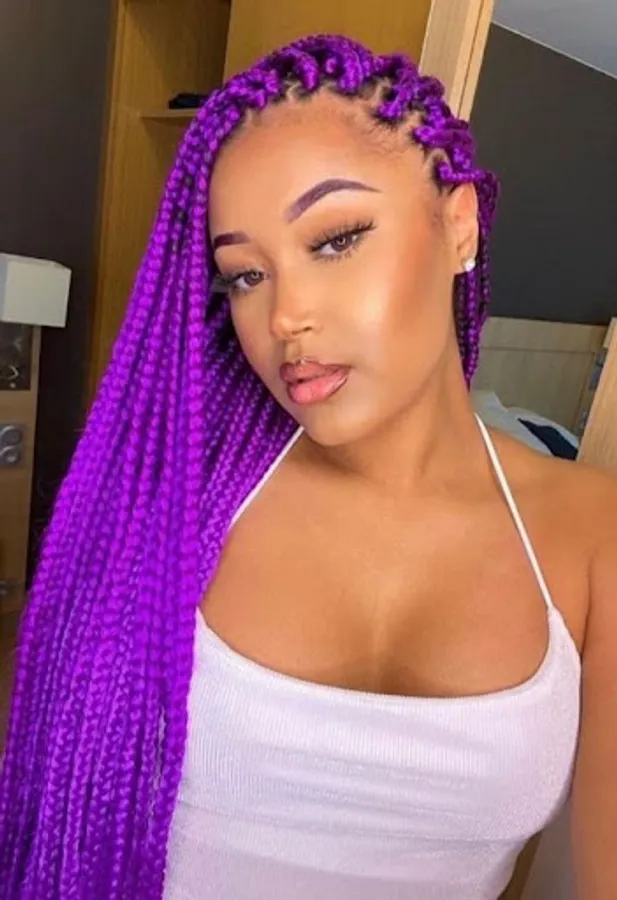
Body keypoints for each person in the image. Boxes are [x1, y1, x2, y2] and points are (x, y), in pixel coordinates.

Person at [1, 33, 616, 900]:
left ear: (458, 223)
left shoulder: (592, 534)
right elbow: (52, 803)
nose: (285, 316)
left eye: (334, 239)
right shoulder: (174, 502)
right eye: (245, 276)